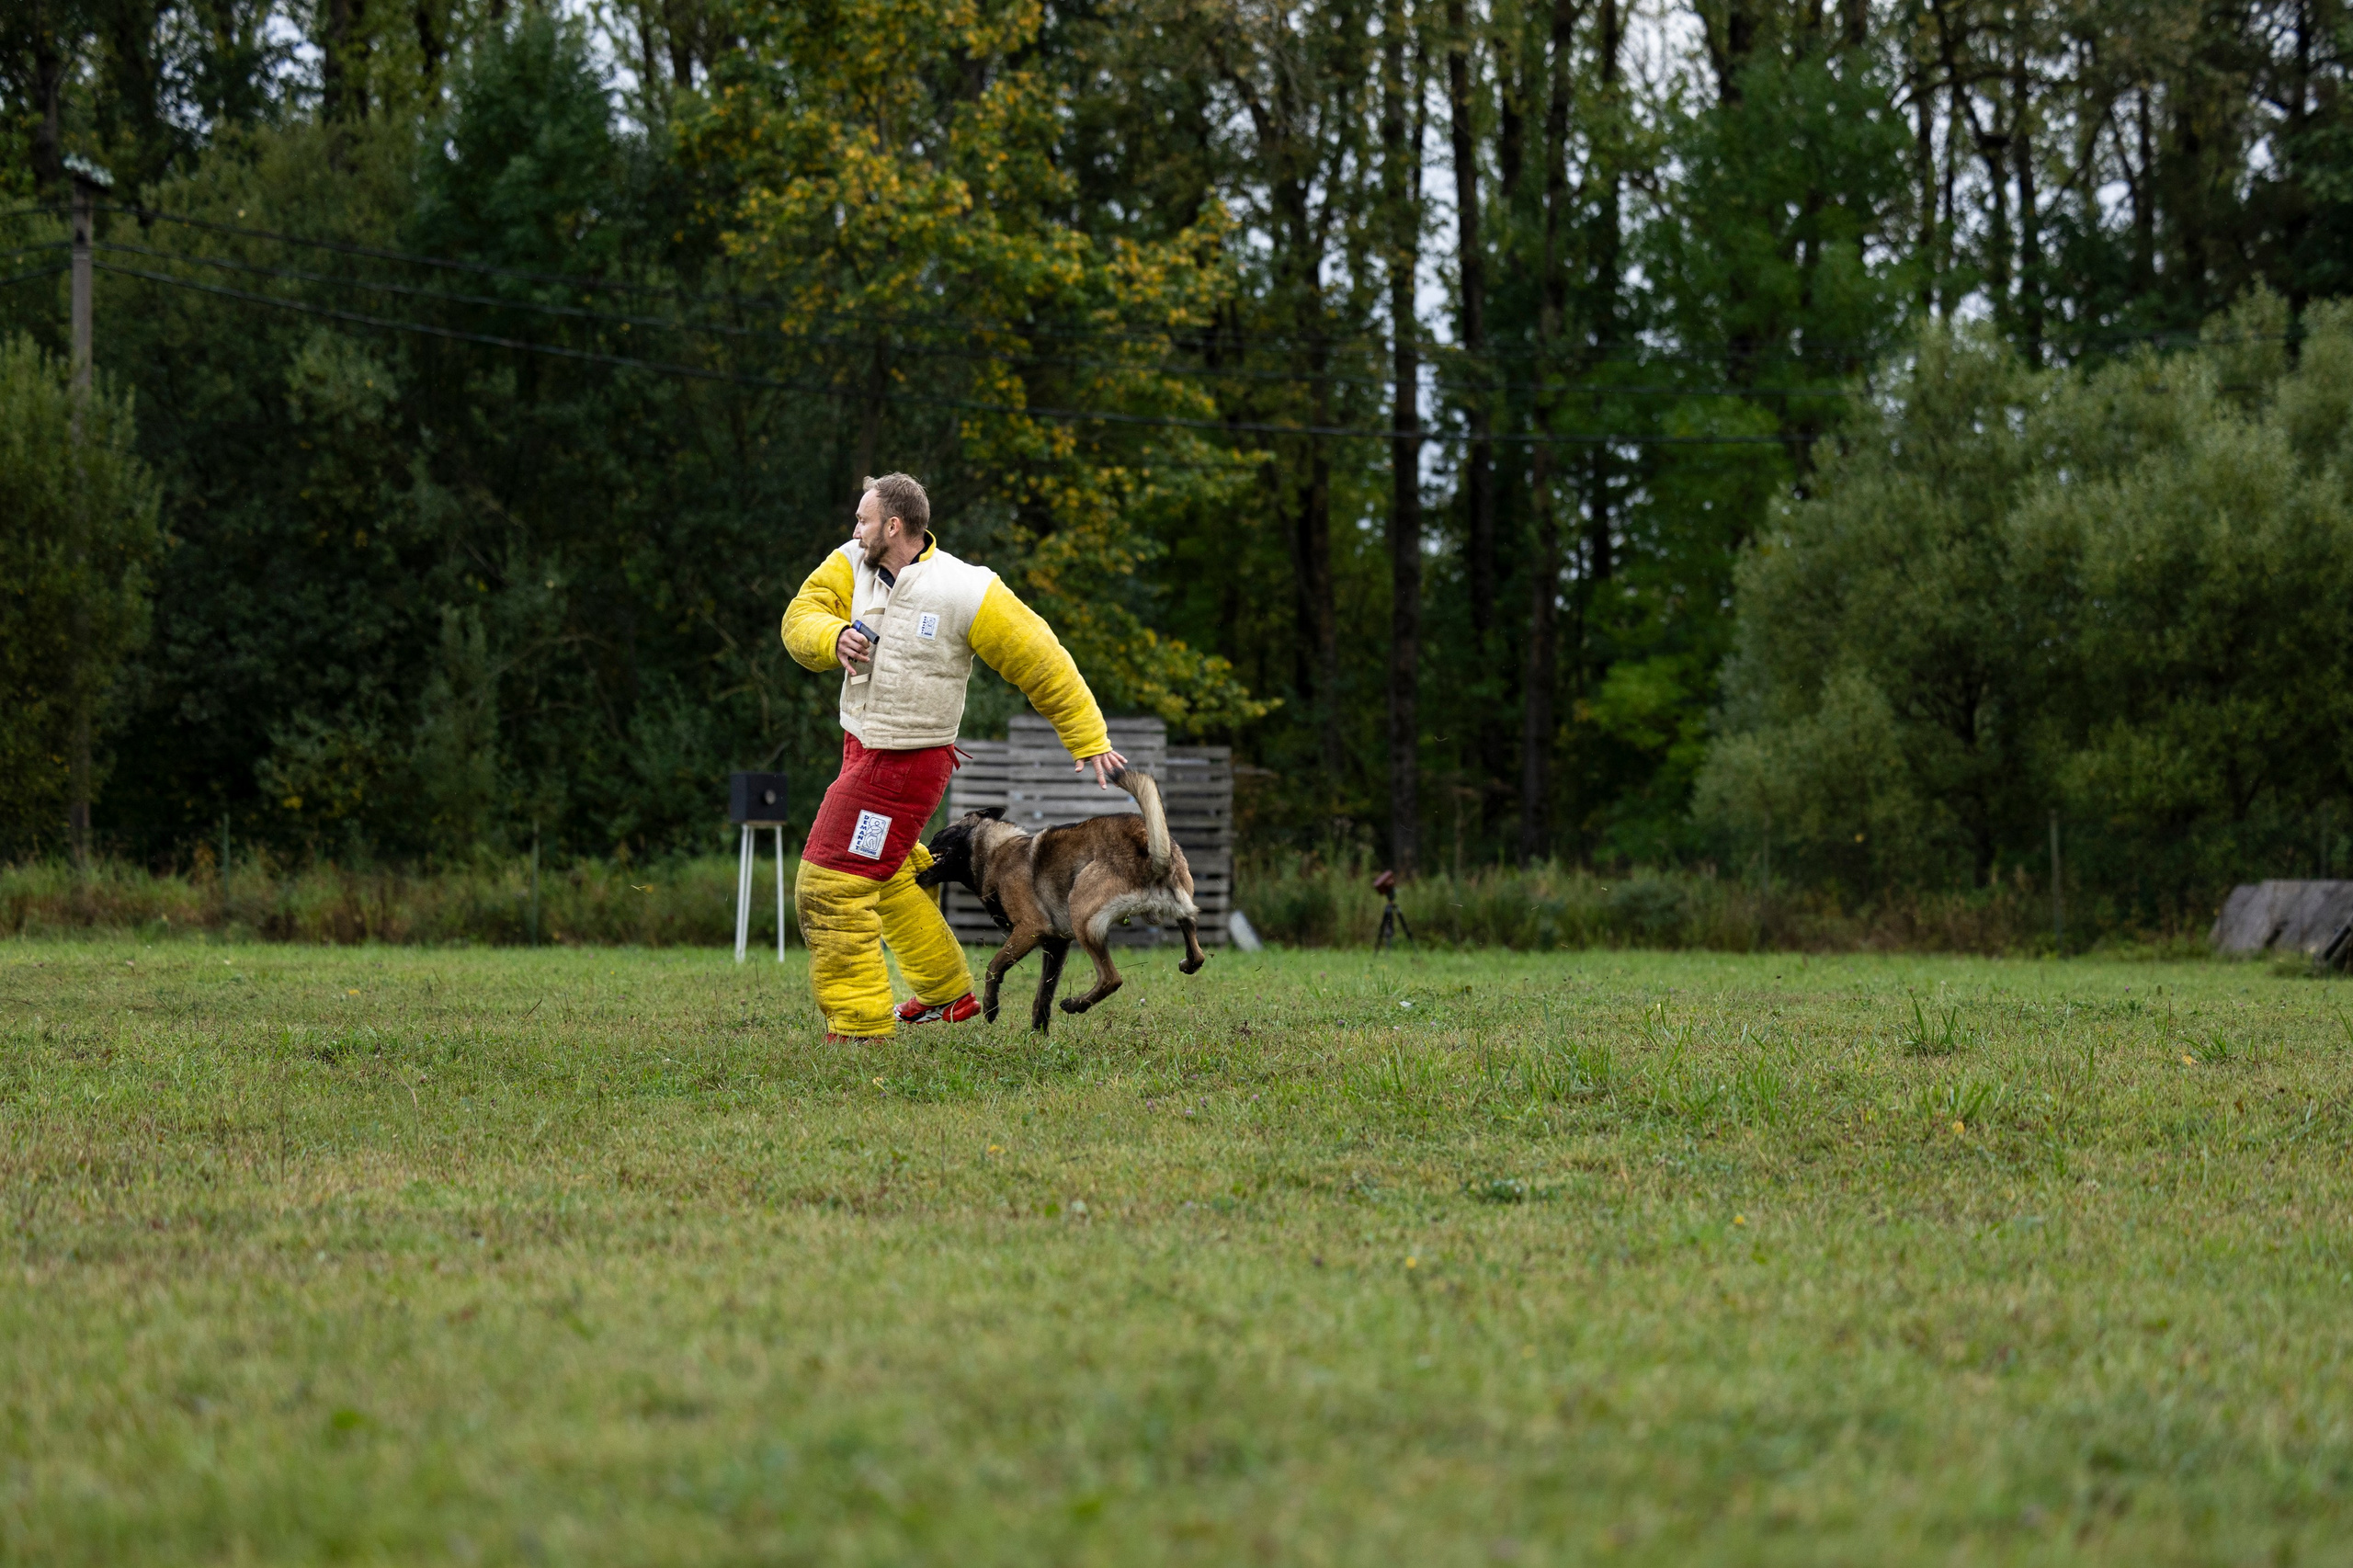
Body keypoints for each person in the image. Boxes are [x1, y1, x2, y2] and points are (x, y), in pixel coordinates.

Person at [782, 472, 1127, 1042]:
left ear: (893, 526)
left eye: (863, 520)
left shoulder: (966, 589)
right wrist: (832, 635)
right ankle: (947, 992)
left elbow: (1040, 658)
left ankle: (860, 1028)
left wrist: (1089, 738)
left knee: (832, 884)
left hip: (904, 767)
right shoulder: (849, 563)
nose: (854, 529)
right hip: (860, 749)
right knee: (887, 872)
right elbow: (800, 615)